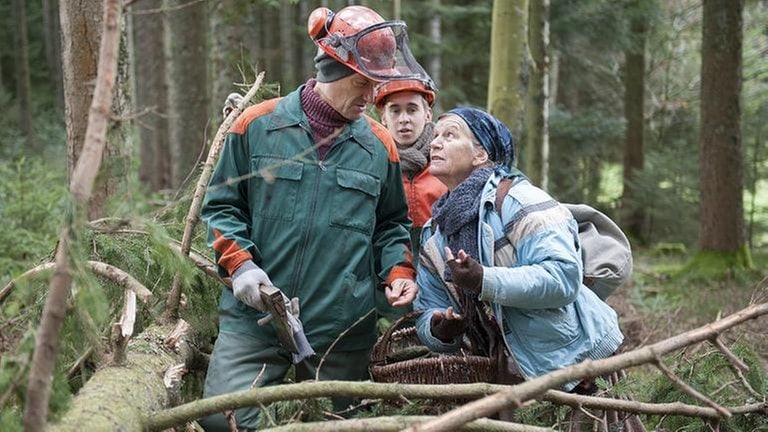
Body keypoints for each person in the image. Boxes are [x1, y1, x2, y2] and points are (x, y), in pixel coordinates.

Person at [199, 5, 429, 430]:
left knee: (339, 424)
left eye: (378, 84)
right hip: (258, 318)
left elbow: (392, 223)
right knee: (220, 418)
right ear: (331, 70)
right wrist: (241, 266)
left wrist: (398, 270)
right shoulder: (256, 125)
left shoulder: (380, 146)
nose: (372, 96)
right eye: (364, 83)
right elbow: (222, 206)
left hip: (341, 325)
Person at [413, 107, 646, 431]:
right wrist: (439, 328)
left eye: (450, 135)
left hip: (574, 364)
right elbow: (426, 309)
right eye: (435, 136)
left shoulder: (521, 202)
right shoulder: (435, 235)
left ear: (481, 153)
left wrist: (484, 279)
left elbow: (563, 278)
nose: (435, 143)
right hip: (502, 376)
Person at [373, 79, 447, 320]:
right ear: (383, 117)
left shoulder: (451, 159)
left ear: (427, 114)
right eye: (395, 110)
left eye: (412, 109)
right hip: (384, 277)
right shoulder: (371, 161)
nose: (404, 118)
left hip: (443, 274)